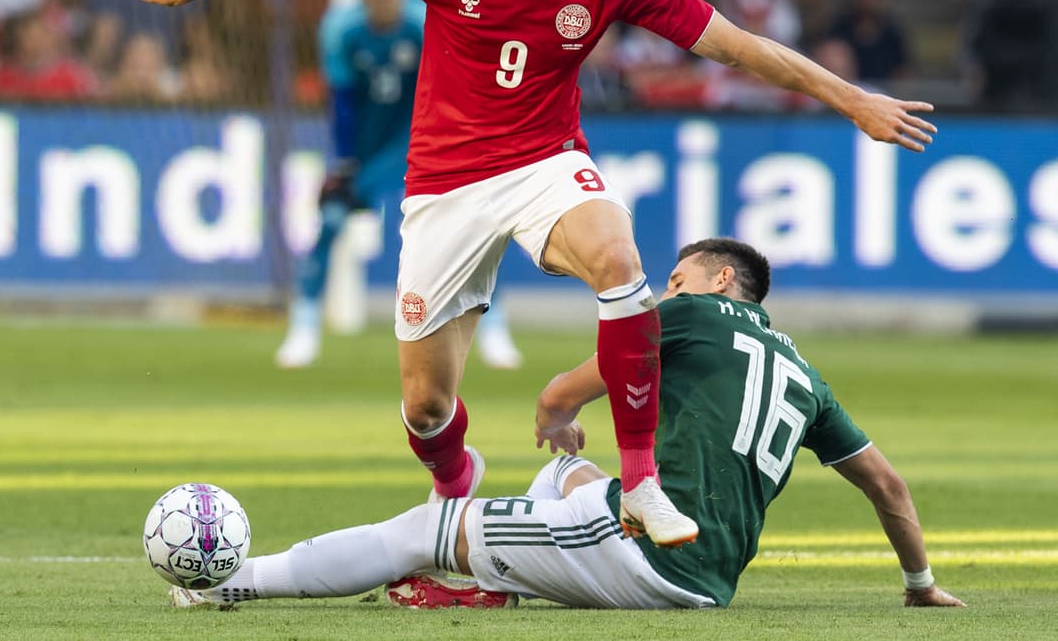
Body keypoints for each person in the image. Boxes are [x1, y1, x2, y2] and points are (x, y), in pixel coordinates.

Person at [141, 0, 938, 547]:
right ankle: (454, 481)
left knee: (621, 260)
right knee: (425, 407)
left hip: (542, 162)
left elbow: (732, 45)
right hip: (444, 186)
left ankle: (643, 482)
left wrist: (853, 98)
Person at [170, 238, 966, 611]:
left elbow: (560, 392)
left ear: (720, 280)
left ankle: (227, 580)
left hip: (651, 562)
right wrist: (919, 586)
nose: (666, 285)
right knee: (565, 477)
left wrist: (555, 413)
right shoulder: (804, 373)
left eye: (679, 274)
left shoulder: (689, 314)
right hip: (711, 569)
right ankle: (493, 581)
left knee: (427, 524)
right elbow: (888, 486)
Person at [276, 0, 522, 370]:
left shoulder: (422, 23)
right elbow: (341, 100)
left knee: (469, 235)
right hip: (367, 152)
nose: (382, 0)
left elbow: (450, 88)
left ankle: (494, 327)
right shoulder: (340, 29)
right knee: (331, 222)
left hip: (425, 148)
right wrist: (345, 160)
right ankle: (304, 328)